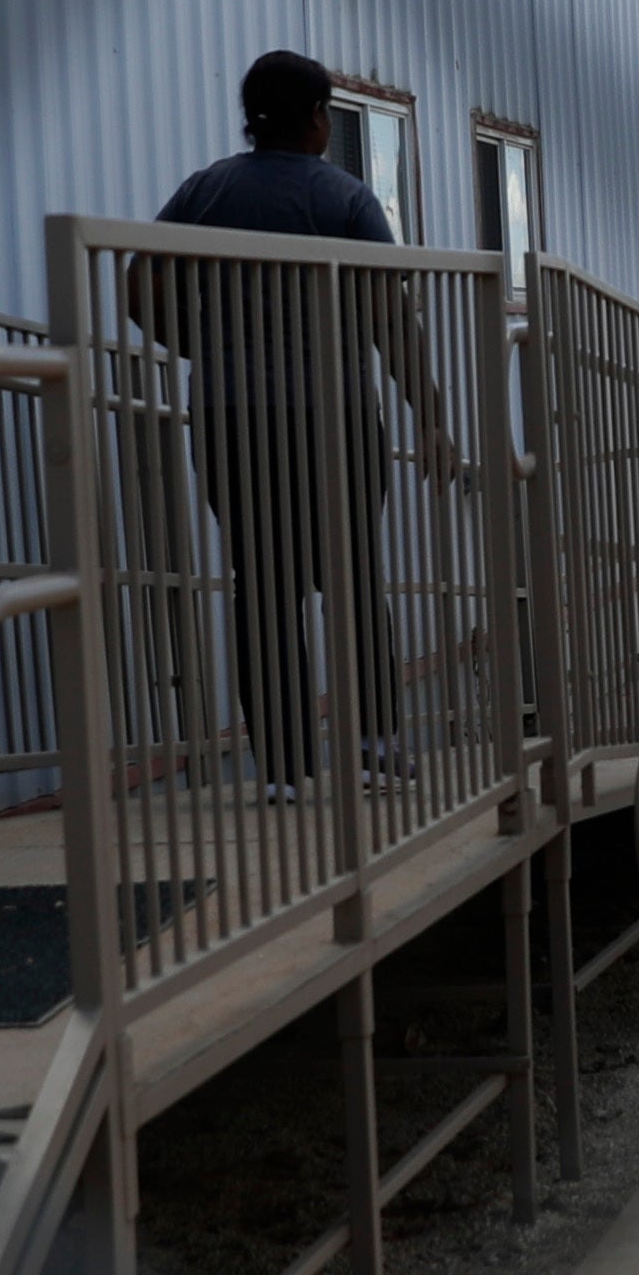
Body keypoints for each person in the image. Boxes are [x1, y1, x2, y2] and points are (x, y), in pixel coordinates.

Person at [152, 50, 460, 783]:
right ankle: (376, 748)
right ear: (321, 116)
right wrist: (433, 418)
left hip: (233, 416)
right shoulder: (346, 199)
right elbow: (391, 316)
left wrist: (201, 345)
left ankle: (285, 766)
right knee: (351, 574)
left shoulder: (204, 191)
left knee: (262, 582)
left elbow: (140, 284)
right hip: (336, 416)